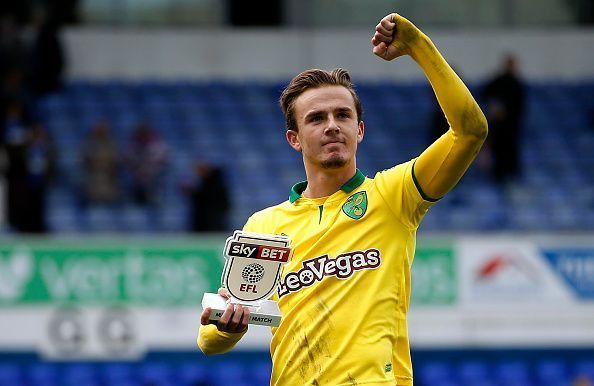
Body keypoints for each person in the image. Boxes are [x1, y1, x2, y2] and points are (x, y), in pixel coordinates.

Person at [198, 12, 488, 386]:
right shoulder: (264, 226)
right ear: (295, 139)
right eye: (316, 118)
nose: (332, 125)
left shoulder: (394, 196)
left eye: (343, 115)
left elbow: (470, 131)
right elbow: (209, 342)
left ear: (360, 129)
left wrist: (417, 46)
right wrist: (227, 326)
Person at [483, 54, 525, 183]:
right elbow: (484, 93)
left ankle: (511, 177)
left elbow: (521, 108)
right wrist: (494, 107)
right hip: (498, 128)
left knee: (511, 154)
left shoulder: (518, 85)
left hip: (512, 129)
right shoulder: (498, 81)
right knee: (498, 154)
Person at [182, 160, 231, 232]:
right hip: (210, 220)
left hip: (212, 221)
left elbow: (205, 199)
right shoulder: (212, 181)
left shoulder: (213, 183)